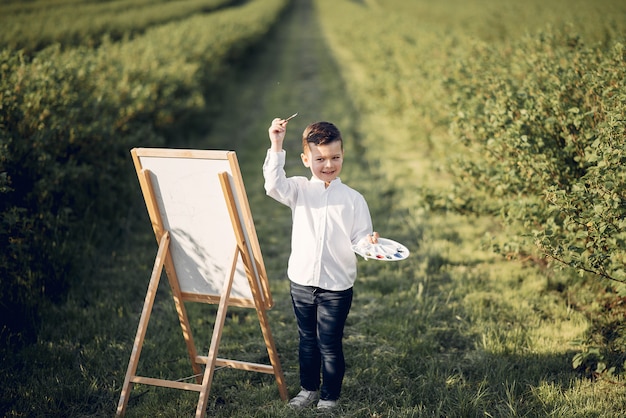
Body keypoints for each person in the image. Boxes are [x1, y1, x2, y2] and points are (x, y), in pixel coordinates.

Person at [263, 117, 379, 410]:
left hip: (336, 286)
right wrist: (276, 143)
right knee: (307, 340)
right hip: (302, 281)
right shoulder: (299, 190)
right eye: (320, 158)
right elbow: (272, 185)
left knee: (329, 342)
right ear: (305, 159)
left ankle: (329, 396)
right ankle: (308, 390)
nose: (328, 165)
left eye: (335, 157)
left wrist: (371, 243)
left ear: (342, 156)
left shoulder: (353, 199)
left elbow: (360, 238)